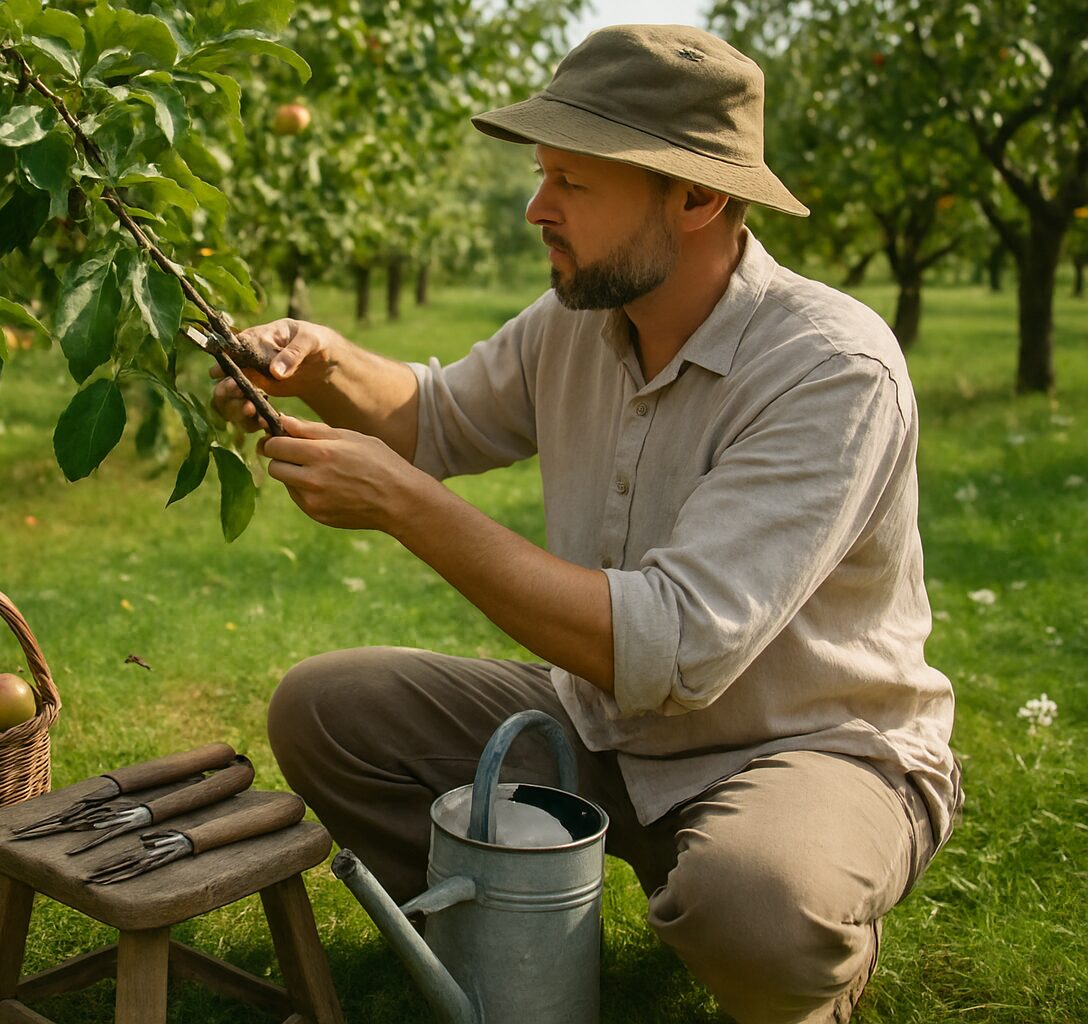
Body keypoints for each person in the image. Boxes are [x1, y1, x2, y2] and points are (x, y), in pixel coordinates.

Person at [213, 24, 961, 1024]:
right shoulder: (581, 316)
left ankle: (812, 944)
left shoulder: (831, 370)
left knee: (755, 903)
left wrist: (402, 504)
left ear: (696, 197)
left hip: (805, 744)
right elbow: (438, 415)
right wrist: (324, 364)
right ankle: (510, 943)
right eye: (542, 174)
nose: (537, 207)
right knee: (326, 710)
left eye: (572, 181)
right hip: (608, 722)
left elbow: (673, 647)